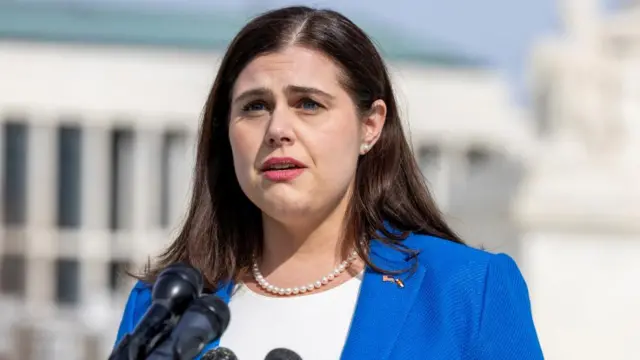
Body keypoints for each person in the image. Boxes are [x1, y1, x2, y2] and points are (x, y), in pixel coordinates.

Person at [114, 6, 544, 360]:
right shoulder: (162, 305)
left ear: (370, 126)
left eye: (308, 104)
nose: (278, 128)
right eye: (255, 106)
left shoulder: (468, 289)